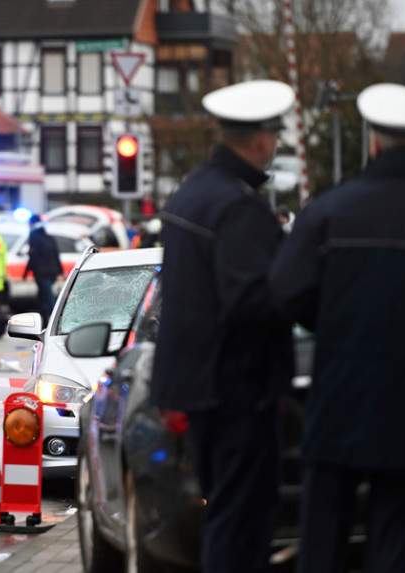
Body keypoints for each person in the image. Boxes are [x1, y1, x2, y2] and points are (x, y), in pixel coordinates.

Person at [269, 83, 405, 573]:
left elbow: (285, 295)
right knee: (393, 540)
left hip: (341, 404)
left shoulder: (329, 212)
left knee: (323, 543)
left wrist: (334, 321)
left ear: (373, 140)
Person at [150, 80, 296, 572]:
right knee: (241, 525)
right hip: (237, 392)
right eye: (274, 136)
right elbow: (251, 301)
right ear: (260, 140)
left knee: (224, 517)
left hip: (198, 388)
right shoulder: (238, 208)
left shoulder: (192, 193)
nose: (274, 145)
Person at [23, 214, 63, 326]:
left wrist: (26, 273)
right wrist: (60, 270)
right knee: (42, 298)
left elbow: (33, 256)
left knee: (48, 298)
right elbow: (56, 255)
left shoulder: (34, 236)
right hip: (52, 272)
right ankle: (45, 322)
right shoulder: (50, 237)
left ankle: (56, 321)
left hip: (42, 273)